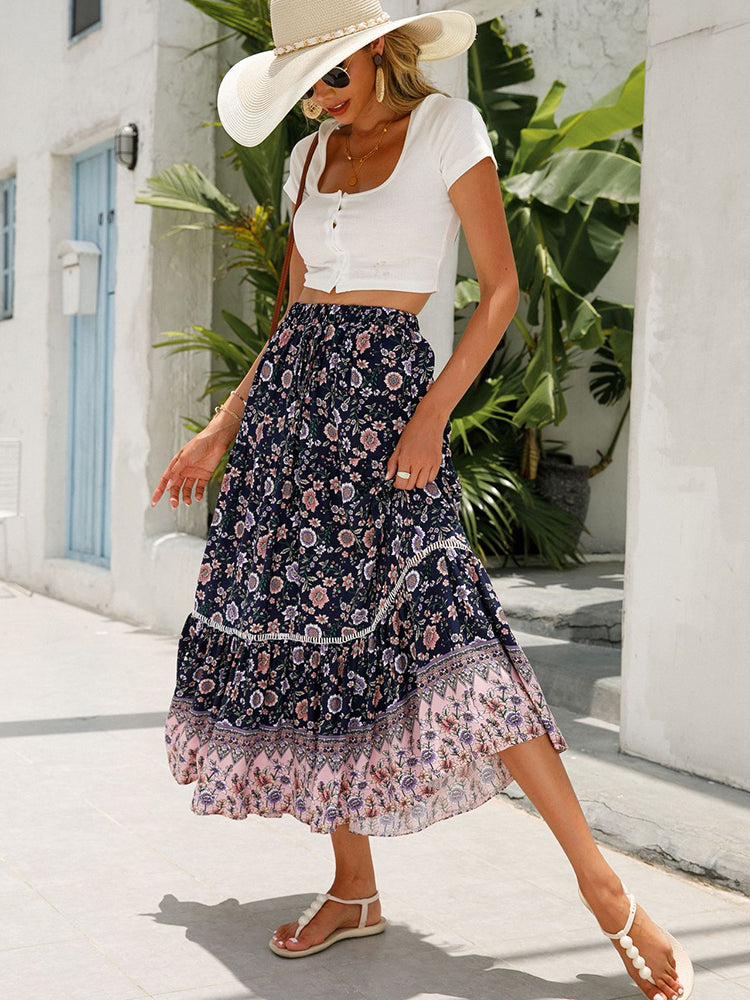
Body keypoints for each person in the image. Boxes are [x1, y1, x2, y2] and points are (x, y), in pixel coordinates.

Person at [151, 2, 692, 997]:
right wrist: (220, 428)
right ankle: (353, 888)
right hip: (290, 424)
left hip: (392, 407)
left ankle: (604, 887)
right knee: (317, 648)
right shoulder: (306, 159)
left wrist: (432, 416)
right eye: (307, 81)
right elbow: (289, 317)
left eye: (333, 72)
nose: (322, 95)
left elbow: (499, 291)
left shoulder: (448, 125)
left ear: (376, 53)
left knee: (459, 626)